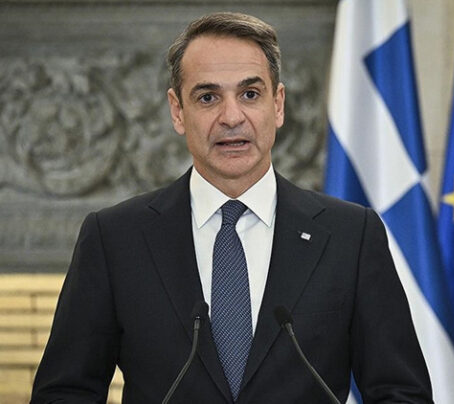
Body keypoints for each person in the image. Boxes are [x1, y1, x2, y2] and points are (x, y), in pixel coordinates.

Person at [31, 12, 432, 403]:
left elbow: (401, 392)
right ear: (177, 111)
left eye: (250, 94)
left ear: (278, 104)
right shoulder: (115, 238)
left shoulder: (351, 235)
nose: (231, 117)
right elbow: (64, 392)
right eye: (208, 97)